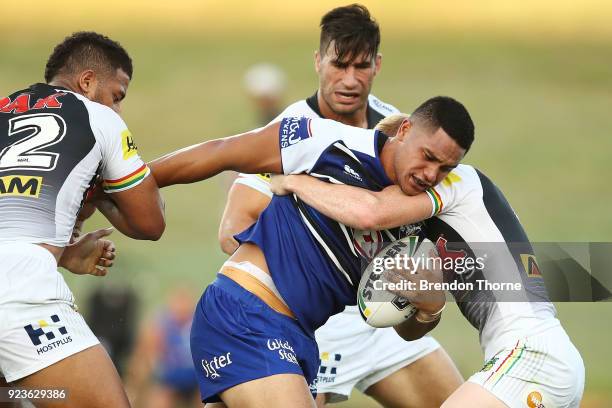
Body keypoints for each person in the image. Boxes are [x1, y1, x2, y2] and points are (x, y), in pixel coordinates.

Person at [147, 95, 474, 407]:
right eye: (428, 157)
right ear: (403, 133)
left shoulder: (417, 225)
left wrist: (429, 309)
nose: (431, 175)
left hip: (299, 336)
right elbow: (221, 152)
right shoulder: (327, 140)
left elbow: (402, 327)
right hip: (246, 315)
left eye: (445, 169)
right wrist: (128, 183)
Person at [219, 5, 462, 406]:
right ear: (318, 61)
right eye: (339, 64)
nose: (349, 79)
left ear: (377, 65)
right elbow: (232, 230)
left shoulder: (397, 128)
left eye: (361, 66)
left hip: (382, 314)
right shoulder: (288, 131)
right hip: (318, 323)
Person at [270, 114, 585, 408]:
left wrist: (295, 182)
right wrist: (429, 308)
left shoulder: (457, 183)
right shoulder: (428, 230)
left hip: (532, 355)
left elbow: (371, 211)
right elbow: (407, 318)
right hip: (535, 357)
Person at [0, 31, 165, 408]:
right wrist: (100, 185)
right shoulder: (98, 118)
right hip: (22, 298)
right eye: (117, 96)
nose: (118, 109)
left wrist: (65, 254)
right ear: (88, 81)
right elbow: (149, 223)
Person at [125, 287, 200, 408]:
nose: (181, 306)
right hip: (169, 377)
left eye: (185, 301)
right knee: (159, 401)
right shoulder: (160, 323)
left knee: (209, 399)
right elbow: (145, 351)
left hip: (196, 378)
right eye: (178, 301)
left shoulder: (199, 322)